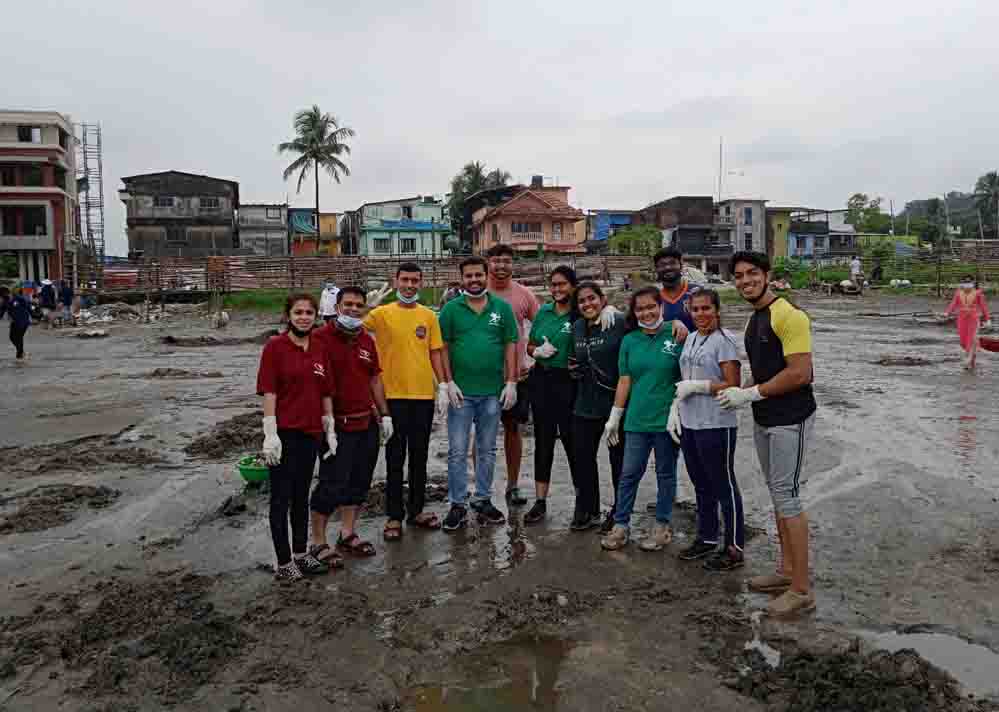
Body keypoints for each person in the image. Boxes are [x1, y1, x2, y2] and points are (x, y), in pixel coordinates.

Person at [717, 251, 817, 617]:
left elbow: (800, 373)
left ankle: (802, 589)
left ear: (767, 275)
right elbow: (763, 372)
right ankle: (786, 571)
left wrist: (751, 393)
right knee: (778, 495)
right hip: (764, 418)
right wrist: (740, 392)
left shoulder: (789, 316)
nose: (745, 281)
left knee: (788, 497)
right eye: (739, 276)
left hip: (791, 418)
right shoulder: (755, 319)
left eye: (752, 274)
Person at [256, 293, 338, 581]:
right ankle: (283, 561)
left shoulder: (319, 347)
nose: (304, 317)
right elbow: (269, 391)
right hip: (284, 434)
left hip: (311, 432)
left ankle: (302, 553)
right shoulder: (275, 347)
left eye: (309, 312)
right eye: (298, 312)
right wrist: (270, 433)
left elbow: (326, 389)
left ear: (316, 316)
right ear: (288, 315)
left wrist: (329, 426)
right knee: (280, 498)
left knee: (301, 496)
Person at [364, 263, 446, 539]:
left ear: (421, 283)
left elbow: (435, 352)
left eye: (415, 280)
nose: (410, 285)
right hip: (393, 398)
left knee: (420, 457)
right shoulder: (381, 313)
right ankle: (394, 516)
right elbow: (347, 327)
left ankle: (417, 510)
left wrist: (444, 385)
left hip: (423, 396)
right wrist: (365, 307)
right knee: (395, 457)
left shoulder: (429, 316)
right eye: (405, 280)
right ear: (396, 281)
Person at [309, 286, 392, 562]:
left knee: (359, 482)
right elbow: (315, 382)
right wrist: (326, 423)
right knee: (331, 484)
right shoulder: (320, 338)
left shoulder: (366, 340)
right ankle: (318, 542)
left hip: (365, 422)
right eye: (349, 304)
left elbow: (374, 379)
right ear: (337, 306)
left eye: (359, 305)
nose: (354, 309)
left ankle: (347, 533)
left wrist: (385, 414)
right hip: (336, 425)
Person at [438, 256, 519, 530]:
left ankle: (483, 498)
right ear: (462, 279)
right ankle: (457, 504)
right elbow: (444, 347)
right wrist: (447, 382)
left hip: (492, 394)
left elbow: (510, 345)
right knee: (458, 450)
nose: (474, 280)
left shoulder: (502, 309)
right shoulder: (450, 310)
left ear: (486, 276)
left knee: (487, 449)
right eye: (468, 276)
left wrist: (511, 381)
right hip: (461, 394)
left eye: (478, 275)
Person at [669, 289, 745, 571]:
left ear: (717, 310)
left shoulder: (724, 342)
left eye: (706, 309)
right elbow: (684, 378)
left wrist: (700, 387)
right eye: (695, 309)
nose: (700, 314)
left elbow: (733, 383)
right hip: (691, 423)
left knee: (723, 485)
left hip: (716, 424)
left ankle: (734, 546)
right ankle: (707, 537)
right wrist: (675, 407)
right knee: (701, 483)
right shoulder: (690, 338)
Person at [600, 287, 682, 552]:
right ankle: (621, 525)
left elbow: (688, 373)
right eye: (640, 309)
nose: (646, 313)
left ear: (661, 306)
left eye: (651, 307)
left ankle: (662, 527)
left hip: (667, 421)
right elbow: (625, 380)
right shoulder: (630, 340)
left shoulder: (677, 333)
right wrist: (615, 416)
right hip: (636, 420)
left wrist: (678, 408)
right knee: (629, 473)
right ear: (633, 313)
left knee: (665, 473)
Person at [484, 244, 540, 507]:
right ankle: (481, 489)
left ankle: (513, 485)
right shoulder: (475, 291)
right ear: (488, 263)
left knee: (512, 428)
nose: (501, 266)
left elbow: (542, 326)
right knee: (481, 432)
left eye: (506, 261)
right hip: (481, 378)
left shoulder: (524, 295)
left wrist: (534, 356)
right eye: (496, 261)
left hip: (516, 377)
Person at [569, 282, 628, 533]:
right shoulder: (577, 328)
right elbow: (574, 357)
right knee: (582, 458)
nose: (587, 304)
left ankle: (619, 511)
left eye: (592, 298)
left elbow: (651, 321)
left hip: (615, 404)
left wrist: (676, 325)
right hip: (584, 404)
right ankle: (588, 508)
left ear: (602, 299)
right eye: (582, 301)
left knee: (619, 461)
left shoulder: (618, 322)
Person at [524, 266, 579, 524]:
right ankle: (540, 501)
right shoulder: (544, 311)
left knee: (573, 442)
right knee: (543, 441)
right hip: (542, 380)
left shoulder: (581, 313)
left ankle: (583, 500)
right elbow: (529, 344)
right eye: (553, 284)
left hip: (569, 384)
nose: (557, 289)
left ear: (573, 286)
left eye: (562, 284)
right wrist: (536, 352)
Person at [644, 247, 695, 512]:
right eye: (662, 264)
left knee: (695, 438)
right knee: (668, 438)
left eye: (671, 263)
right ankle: (670, 494)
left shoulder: (695, 294)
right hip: (663, 377)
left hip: (694, 376)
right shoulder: (654, 298)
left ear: (681, 264)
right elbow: (637, 320)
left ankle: (704, 497)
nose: (667, 268)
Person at [944, 275, 991, 370]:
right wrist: (947, 313)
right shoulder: (958, 293)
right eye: (965, 283)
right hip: (961, 318)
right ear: (962, 284)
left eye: (969, 283)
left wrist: (987, 319)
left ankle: (968, 359)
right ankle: (972, 359)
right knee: (963, 341)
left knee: (972, 338)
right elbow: (953, 304)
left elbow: (983, 307)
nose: (967, 285)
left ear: (973, 284)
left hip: (973, 318)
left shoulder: (978, 293)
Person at [0, 286, 31, 362]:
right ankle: (21, 352)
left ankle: (20, 355)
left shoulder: (18, 298)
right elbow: (1, 312)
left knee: (18, 337)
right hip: (15, 322)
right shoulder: (5, 301)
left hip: (23, 321)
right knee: (12, 337)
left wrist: (34, 315)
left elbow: (27, 305)